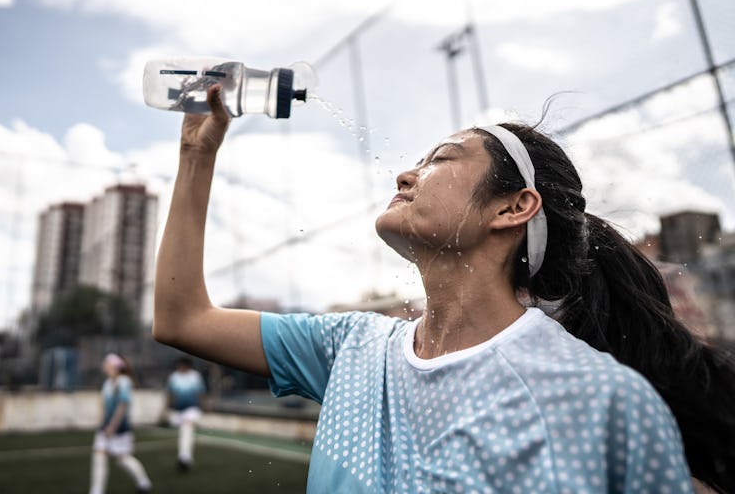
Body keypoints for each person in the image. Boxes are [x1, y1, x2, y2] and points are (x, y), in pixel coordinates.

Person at [153, 84, 735, 493]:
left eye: (440, 159)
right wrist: (195, 155)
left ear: (513, 207)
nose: (405, 174)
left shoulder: (605, 403)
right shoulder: (350, 348)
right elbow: (182, 319)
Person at [89, 353, 152, 494]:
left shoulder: (124, 382)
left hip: (120, 429)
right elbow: (104, 406)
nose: (104, 366)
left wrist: (112, 426)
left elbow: (122, 405)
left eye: (107, 363)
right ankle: (96, 490)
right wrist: (101, 423)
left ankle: (143, 482)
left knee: (123, 459)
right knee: (99, 455)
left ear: (114, 366)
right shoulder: (107, 383)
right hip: (105, 428)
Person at [165, 355, 207, 471]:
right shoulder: (174, 377)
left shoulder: (195, 376)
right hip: (178, 410)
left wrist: (204, 406)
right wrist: (166, 408)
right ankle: (184, 458)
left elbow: (200, 392)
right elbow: (170, 393)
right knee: (183, 433)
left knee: (186, 430)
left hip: (191, 409)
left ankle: (184, 459)